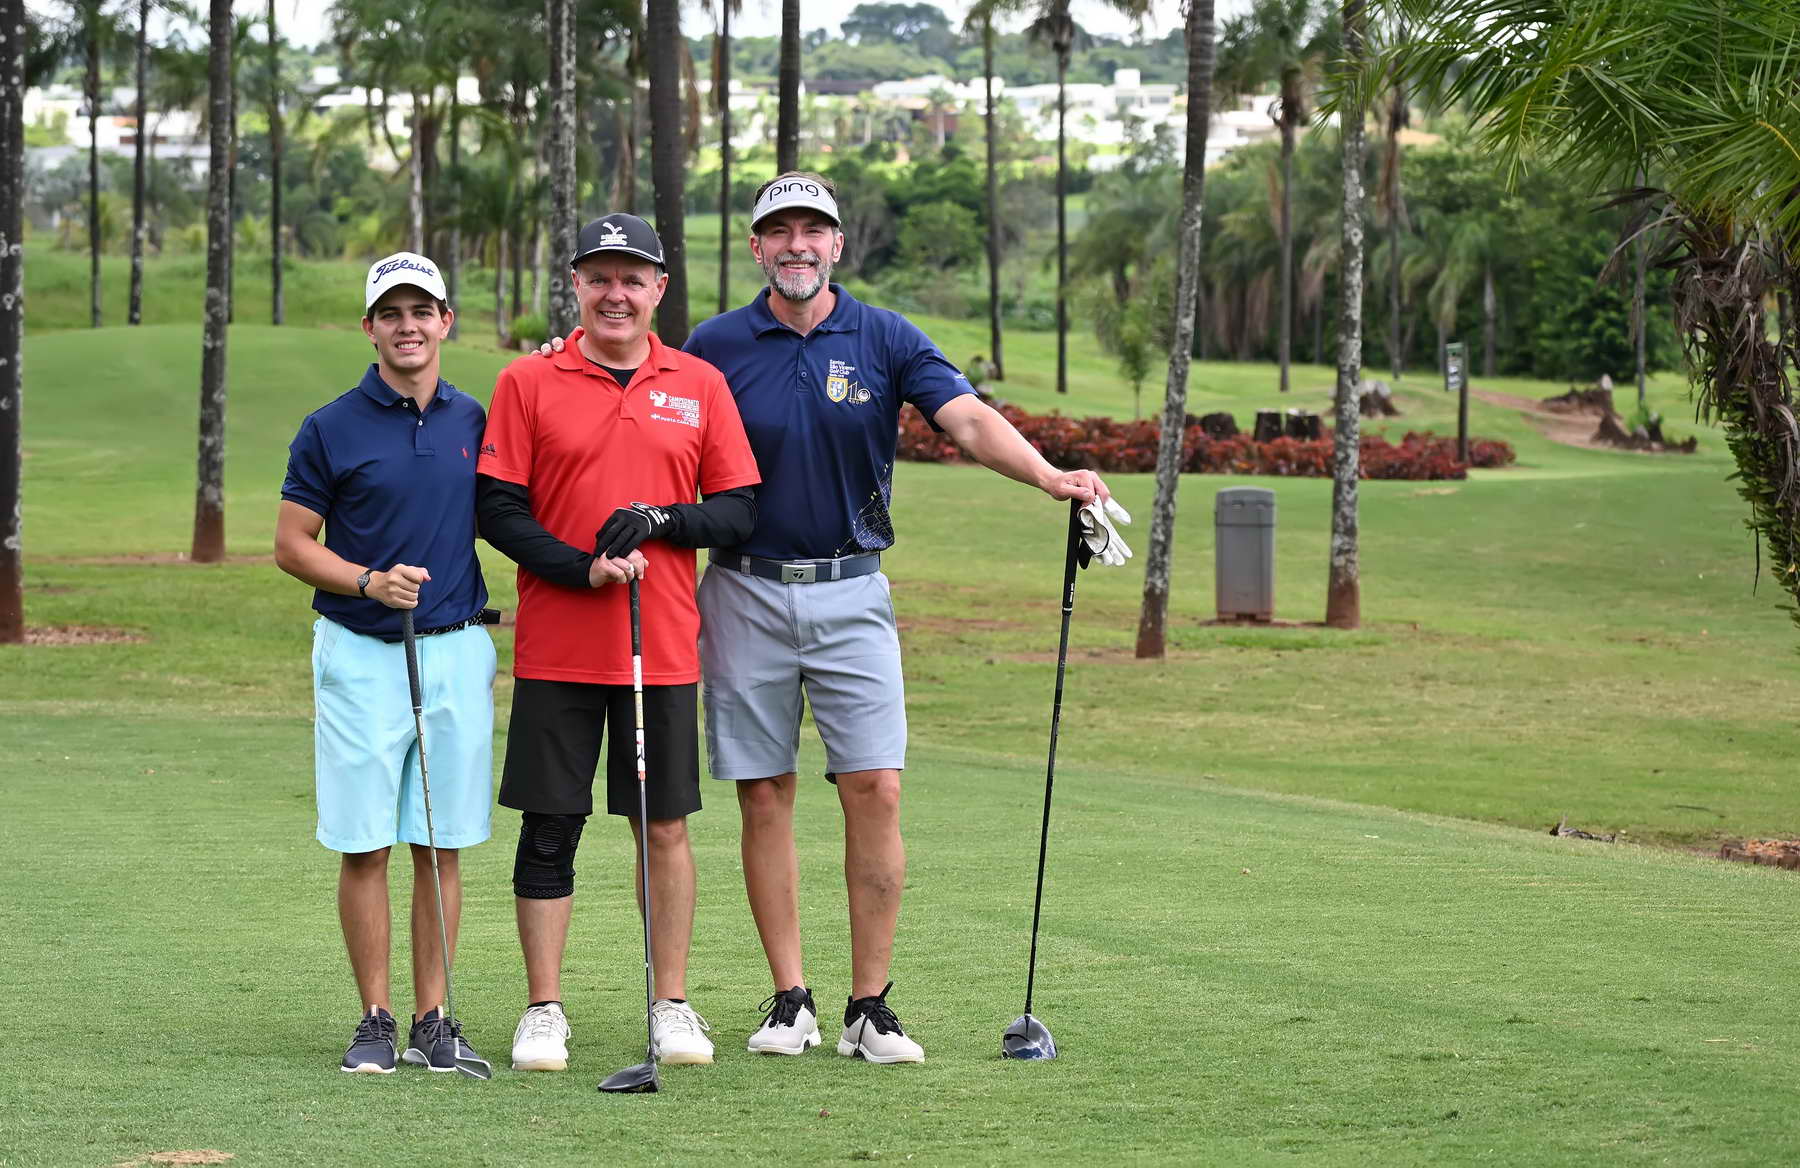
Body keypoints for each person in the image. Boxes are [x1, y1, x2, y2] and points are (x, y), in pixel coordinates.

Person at [685, 172, 1120, 1064]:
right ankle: (791, 1000)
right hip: (742, 586)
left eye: (813, 230)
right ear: (757, 247)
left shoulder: (884, 336)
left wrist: (1051, 477)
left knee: (875, 787)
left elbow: (967, 420)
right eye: (780, 231)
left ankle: (868, 1007)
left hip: (852, 589)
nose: (797, 244)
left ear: (837, 245)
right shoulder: (715, 344)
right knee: (763, 791)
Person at [477, 213, 761, 1073]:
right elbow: (497, 509)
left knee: (662, 827)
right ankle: (543, 1009)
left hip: (662, 646)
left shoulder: (699, 384)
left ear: (658, 289)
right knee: (549, 828)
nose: (615, 294)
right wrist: (582, 569)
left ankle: (670, 1003)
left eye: (632, 278)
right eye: (599, 277)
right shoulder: (528, 380)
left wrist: (662, 519)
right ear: (577, 284)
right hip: (558, 648)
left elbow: (738, 508)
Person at [275, 252, 496, 1075]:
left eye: (422, 311)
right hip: (361, 654)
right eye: (392, 313)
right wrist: (367, 580)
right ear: (369, 327)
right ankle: (375, 1017)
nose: (409, 326)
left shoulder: (475, 419)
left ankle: (435, 1018)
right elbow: (292, 544)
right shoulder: (330, 426)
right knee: (365, 844)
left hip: (455, 649)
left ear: (446, 322)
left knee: (440, 844)